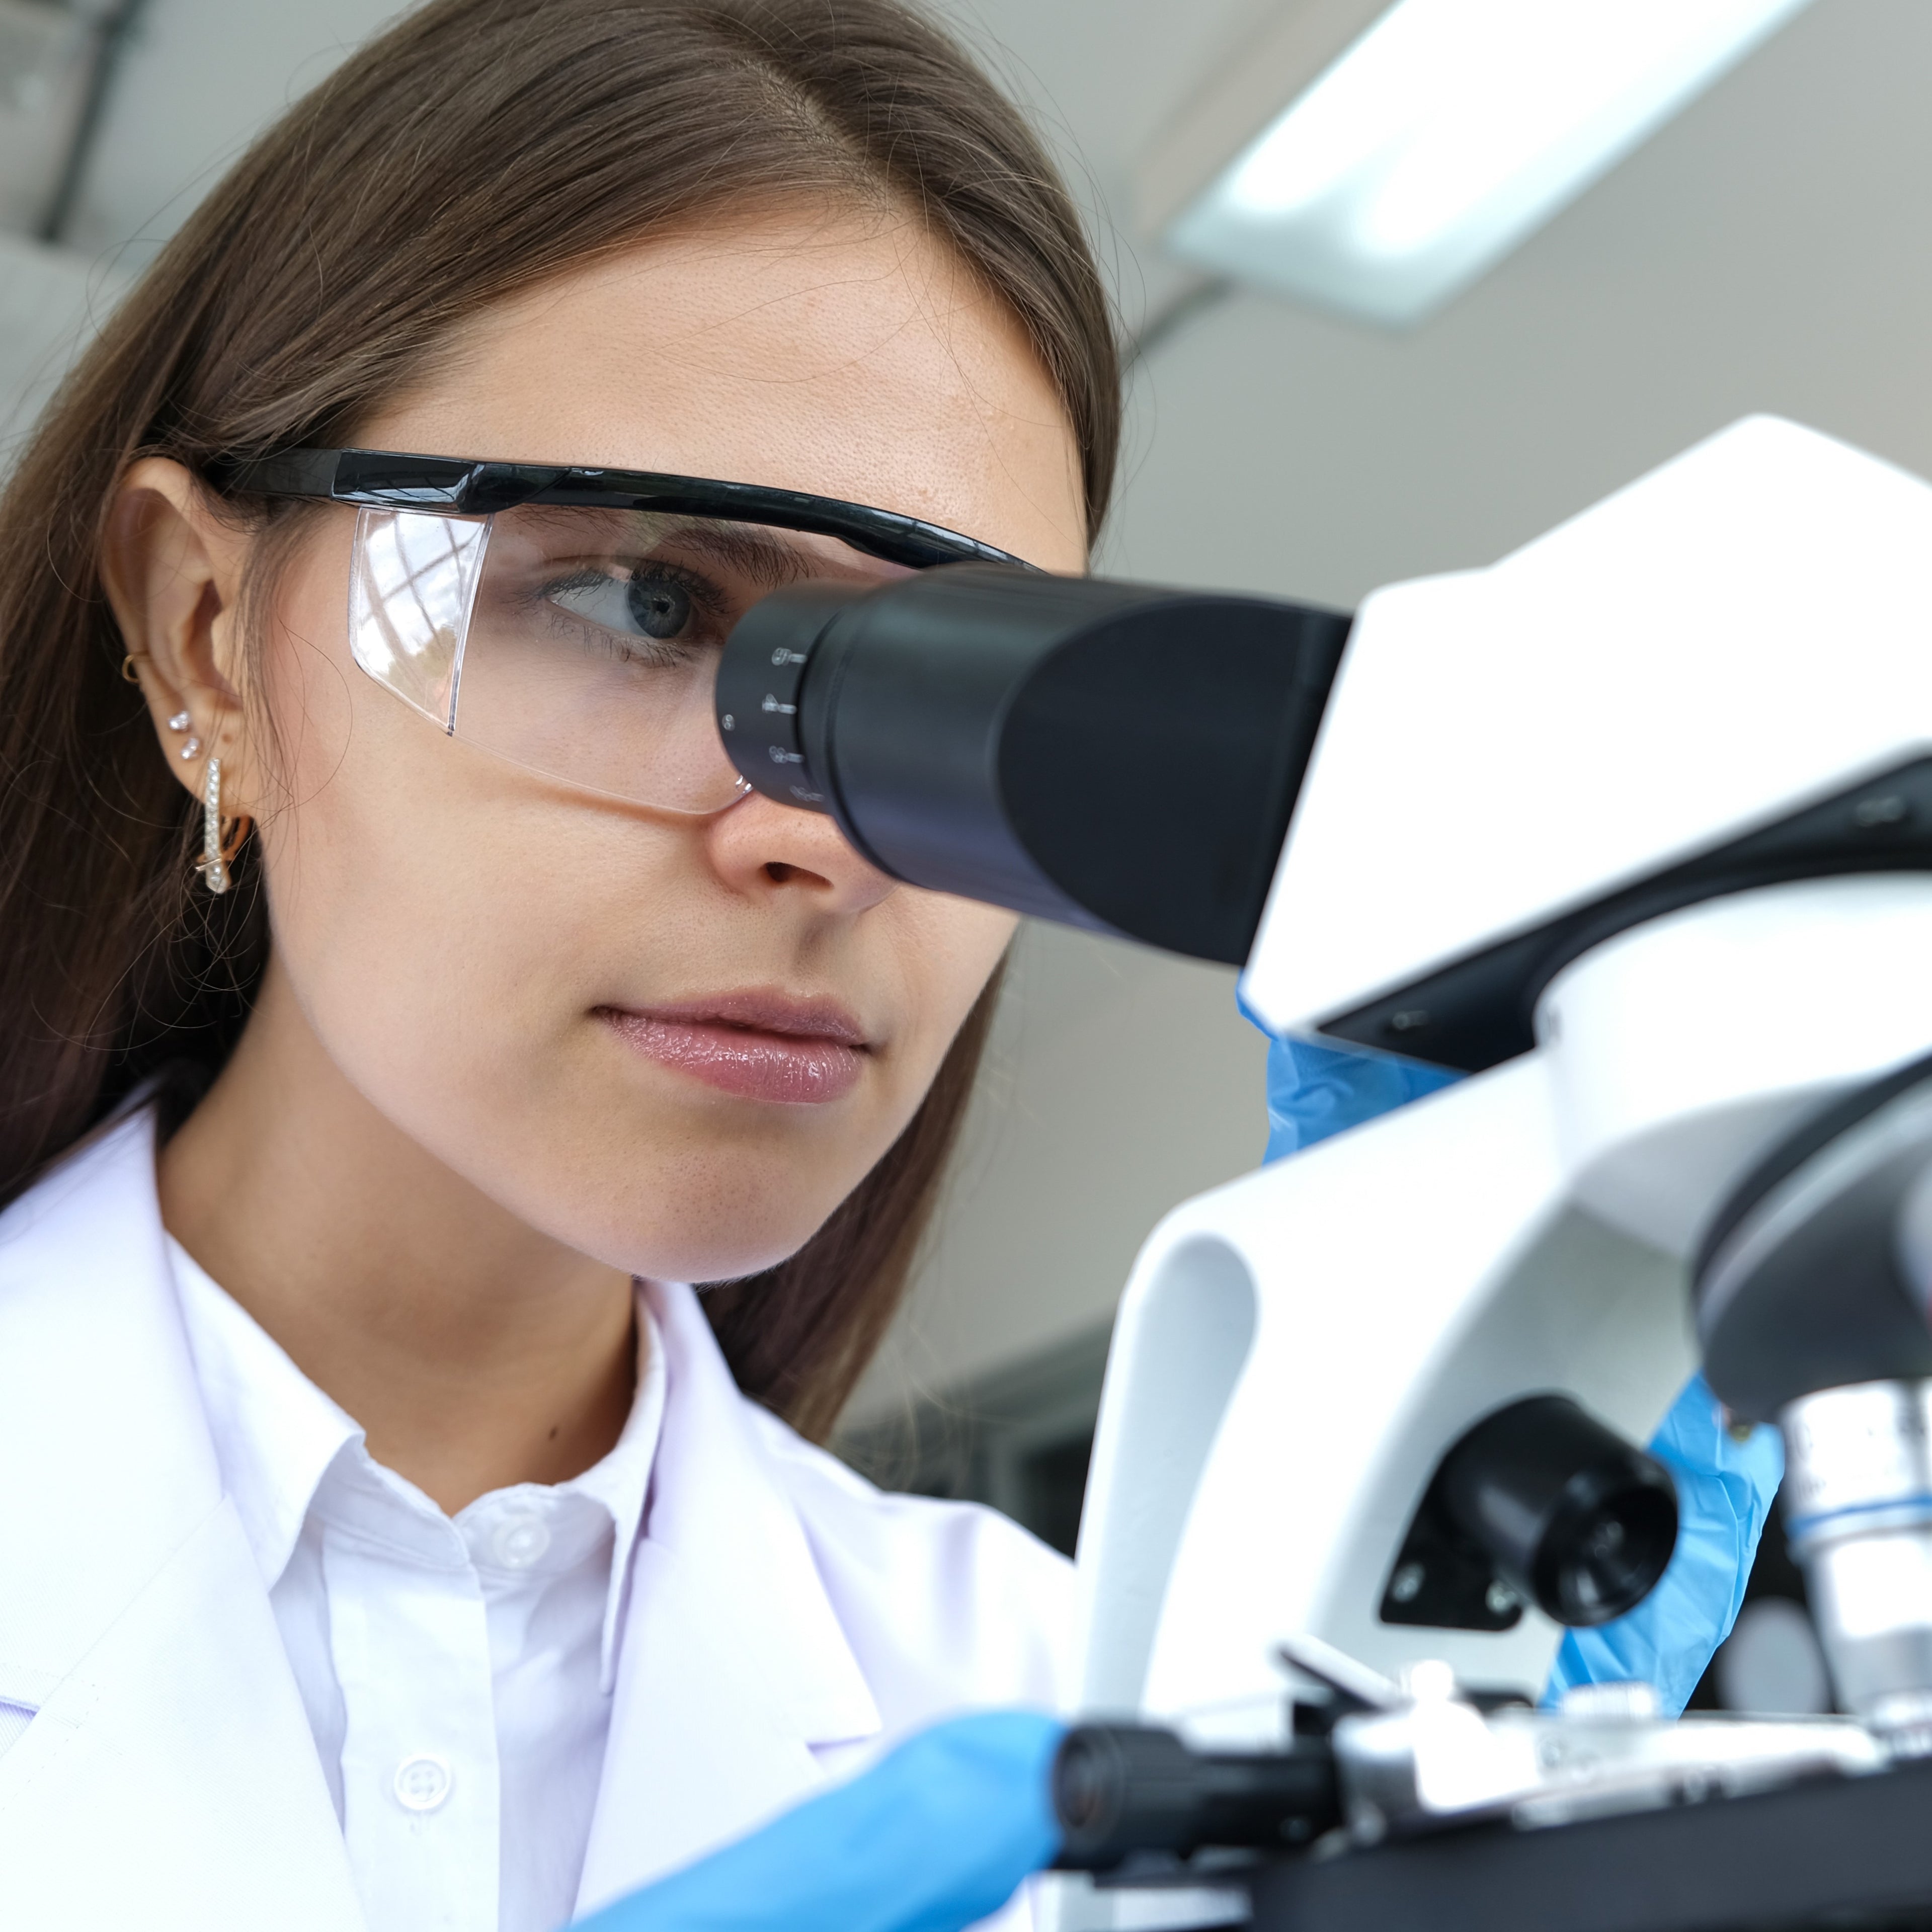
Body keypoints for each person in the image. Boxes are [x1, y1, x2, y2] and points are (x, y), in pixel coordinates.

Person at [0, 4, 1113, 1928]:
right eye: (644, 602)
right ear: (202, 639)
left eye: (968, 692)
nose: (828, 834)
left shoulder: (1075, 1704)